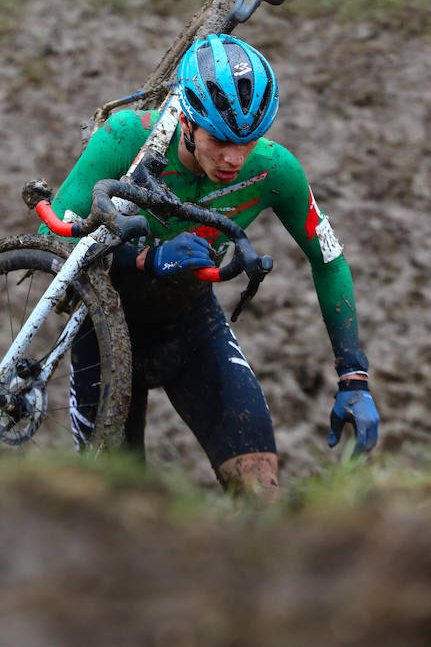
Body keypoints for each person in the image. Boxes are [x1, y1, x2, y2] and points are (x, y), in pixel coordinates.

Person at [51, 34, 379, 497]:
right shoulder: (125, 138)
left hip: (193, 330)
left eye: (247, 141)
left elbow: (329, 260)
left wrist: (354, 375)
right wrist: (145, 257)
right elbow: (50, 240)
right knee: (120, 515)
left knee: (262, 497)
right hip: (105, 335)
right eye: (220, 140)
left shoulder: (273, 170)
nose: (233, 158)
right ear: (186, 119)